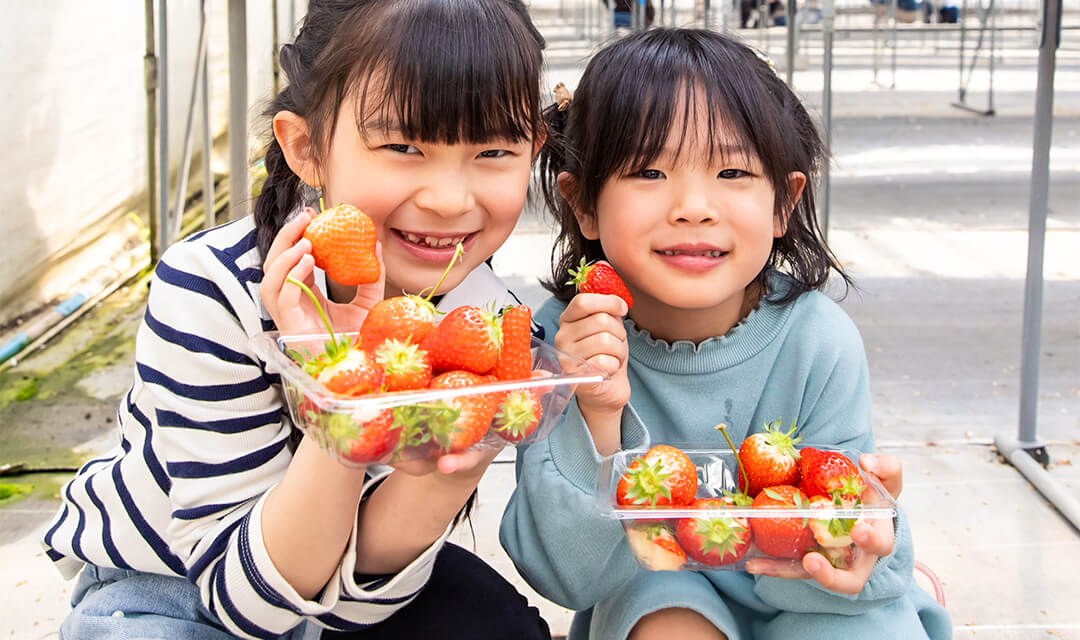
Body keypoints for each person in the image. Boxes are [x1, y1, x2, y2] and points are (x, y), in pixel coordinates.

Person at [41, 1, 552, 638]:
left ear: (532, 150)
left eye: (494, 151)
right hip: (169, 591)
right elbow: (243, 605)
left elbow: (358, 605)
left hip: (352, 586)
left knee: (495, 625)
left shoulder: (484, 324)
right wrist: (336, 387)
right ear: (306, 147)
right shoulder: (213, 289)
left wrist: (470, 451)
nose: (449, 200)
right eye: (402, 145)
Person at [500, 28, 952, 640]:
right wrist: (597, 411)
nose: (693, 205)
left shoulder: (817, 341)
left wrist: (859, 547)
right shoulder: (563, 342)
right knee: (666, 610)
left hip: (807, 597)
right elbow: (569, 575)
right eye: (648, 169)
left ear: (783, 202)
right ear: (582, 204)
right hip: (654, 579)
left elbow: (847, 566)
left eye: (733, 169)